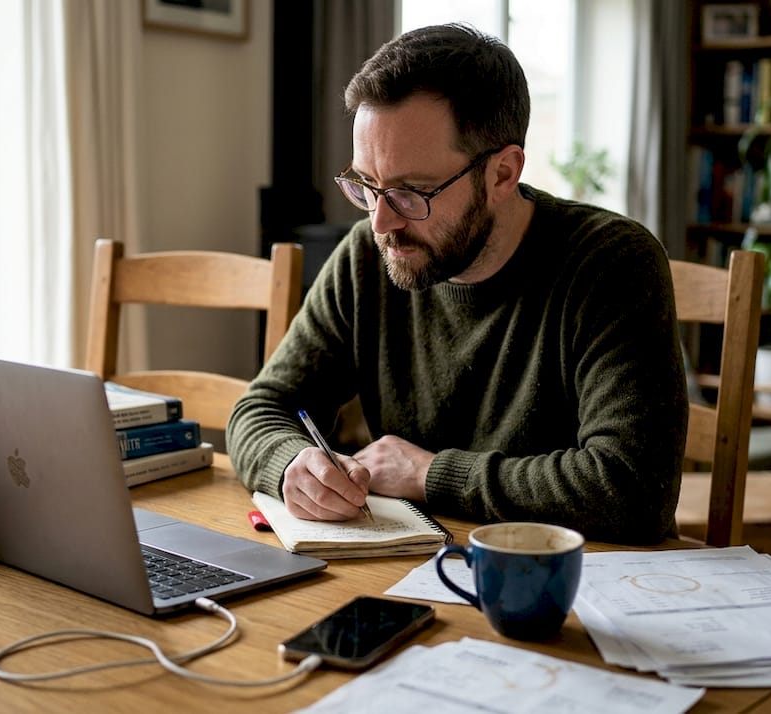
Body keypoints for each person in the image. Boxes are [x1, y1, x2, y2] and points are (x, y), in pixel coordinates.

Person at [225, 23, 686, 544]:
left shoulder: (611, 263)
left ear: (502, 174)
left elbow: (633, 488)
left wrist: (428, 474)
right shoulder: (364, 257)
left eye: (411, 191)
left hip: (579, 587)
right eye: (365, 186)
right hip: (417, 565)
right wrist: (294, 465)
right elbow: (260, 408)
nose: (381, 223)